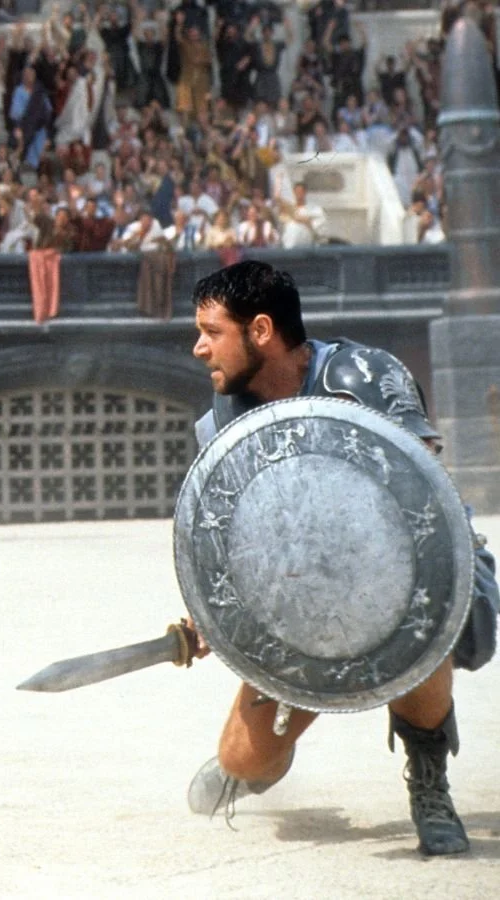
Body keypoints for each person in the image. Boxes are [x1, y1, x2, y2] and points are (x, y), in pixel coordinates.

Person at [184, 261, 499, 857]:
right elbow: (226, 544)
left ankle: (429, 780)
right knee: (243, 755)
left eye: (210, 330)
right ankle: (251, 768)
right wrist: (214, 619)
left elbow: (423, 498)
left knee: (425, 626)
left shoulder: (363, 376)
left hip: (409, 578)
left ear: (259, 331)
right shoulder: (225, 421)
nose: (198, 347)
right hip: (299, 609)